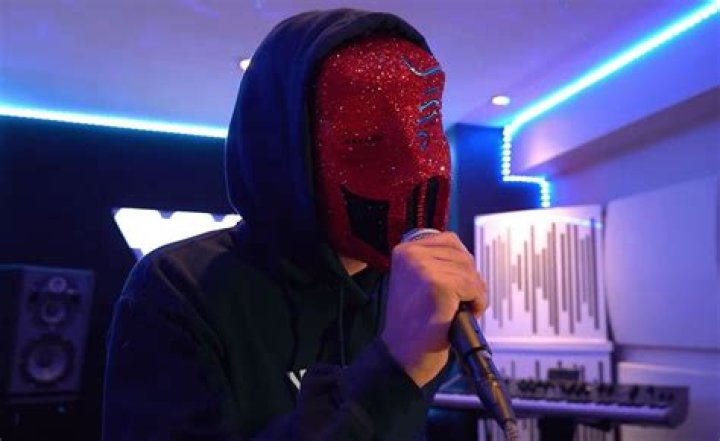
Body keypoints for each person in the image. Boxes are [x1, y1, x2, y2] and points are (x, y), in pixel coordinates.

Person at [102, 8, 487, 441]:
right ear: (285, 145)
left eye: (427, 124)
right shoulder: (179, 288)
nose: (416, 165)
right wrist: (392, 373)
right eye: (365, 134)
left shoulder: (404, 291)